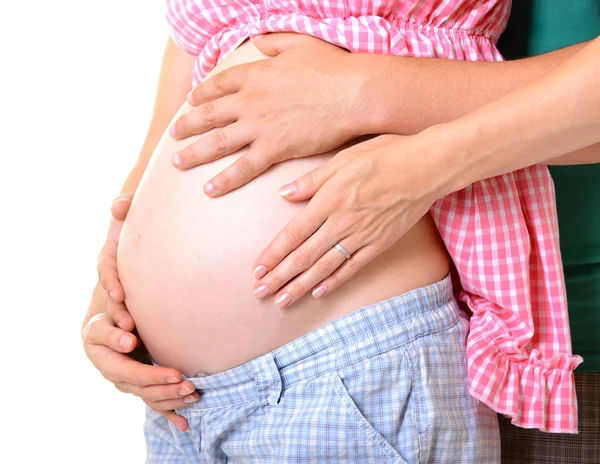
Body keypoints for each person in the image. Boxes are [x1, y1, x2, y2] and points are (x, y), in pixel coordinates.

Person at [81, 0, 594, 460]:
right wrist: (121, 256)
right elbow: (203, 47)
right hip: (183, 408)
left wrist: (365, 100)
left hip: (350, 369)